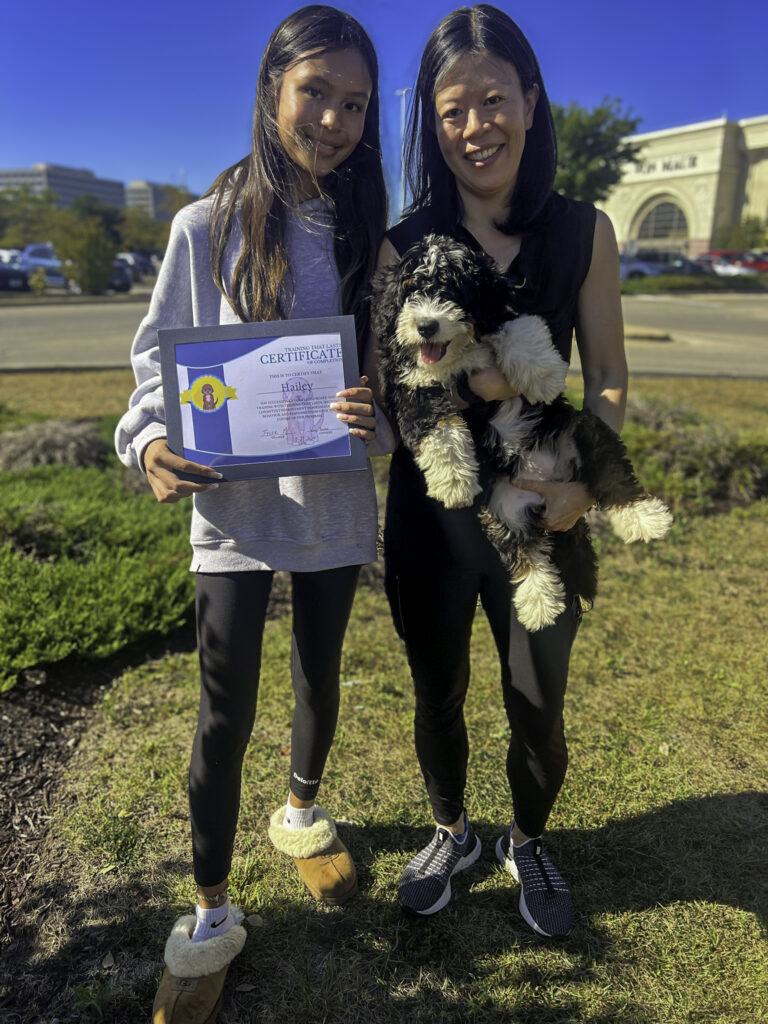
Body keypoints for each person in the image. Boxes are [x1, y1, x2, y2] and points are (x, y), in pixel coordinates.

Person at [115, 7, 391, 1021]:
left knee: (321, 668)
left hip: (331, 500)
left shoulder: (370, 231)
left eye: (354, 102)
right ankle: (207, 905)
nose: (331, 118)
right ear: (272, 89)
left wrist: (379, 413)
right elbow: (157, 365)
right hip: (230, 510)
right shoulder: (204, 225)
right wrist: (148, 443)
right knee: (222, 708)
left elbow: (395, 378)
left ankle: (303, 811)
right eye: (314, 91)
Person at [376, 4, 627, 938]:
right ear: (431, 126)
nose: (476, 125)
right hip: (432, 520)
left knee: (537, 701)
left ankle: (527, 838)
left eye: (493, 99)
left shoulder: (583, 231)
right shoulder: (408, 243)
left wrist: (582, 487)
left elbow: (606, 375)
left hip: (540, 513)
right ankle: (454, 831)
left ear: (529, 98)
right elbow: (395, 386)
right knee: (435, 690)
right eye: (452, 110)